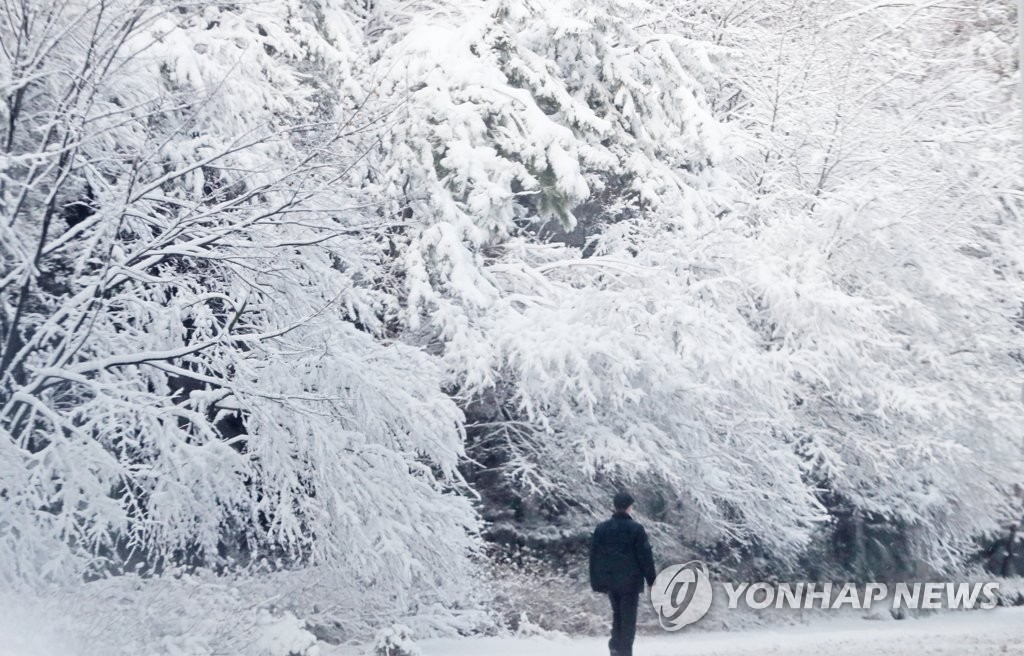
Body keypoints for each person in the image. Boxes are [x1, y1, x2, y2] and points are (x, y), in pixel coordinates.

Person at [589, 491, 657, 656]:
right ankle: (624, 652)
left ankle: (614, 649)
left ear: (614, 506)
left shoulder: (601, 529)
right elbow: (645, 556)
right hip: (630, 583)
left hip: (610, 582)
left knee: (617, 616)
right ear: (629, 507)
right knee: (628, 620)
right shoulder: (636, 529)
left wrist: (596, 581)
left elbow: (594, 556)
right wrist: (652, 580)